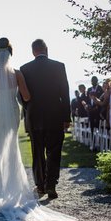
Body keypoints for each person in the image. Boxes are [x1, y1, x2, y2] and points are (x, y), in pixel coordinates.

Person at [0, 37, 77, 221]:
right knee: (18, 149)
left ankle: (0, 190)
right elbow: (30, 95)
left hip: (7, 114)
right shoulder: (19, 73)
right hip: (19, 113)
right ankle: (41, 186)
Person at [20, 39, 71, 200]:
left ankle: (40, 185)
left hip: (34, 117)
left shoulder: (25, 69)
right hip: (55, 115)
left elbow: (22, 96)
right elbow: (65, 93)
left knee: (38, 152)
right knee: (54, 151)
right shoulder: (58, 66)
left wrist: (28, 110)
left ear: (33, 51)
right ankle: (51, 185)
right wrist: (66, 116)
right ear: (46, 49)